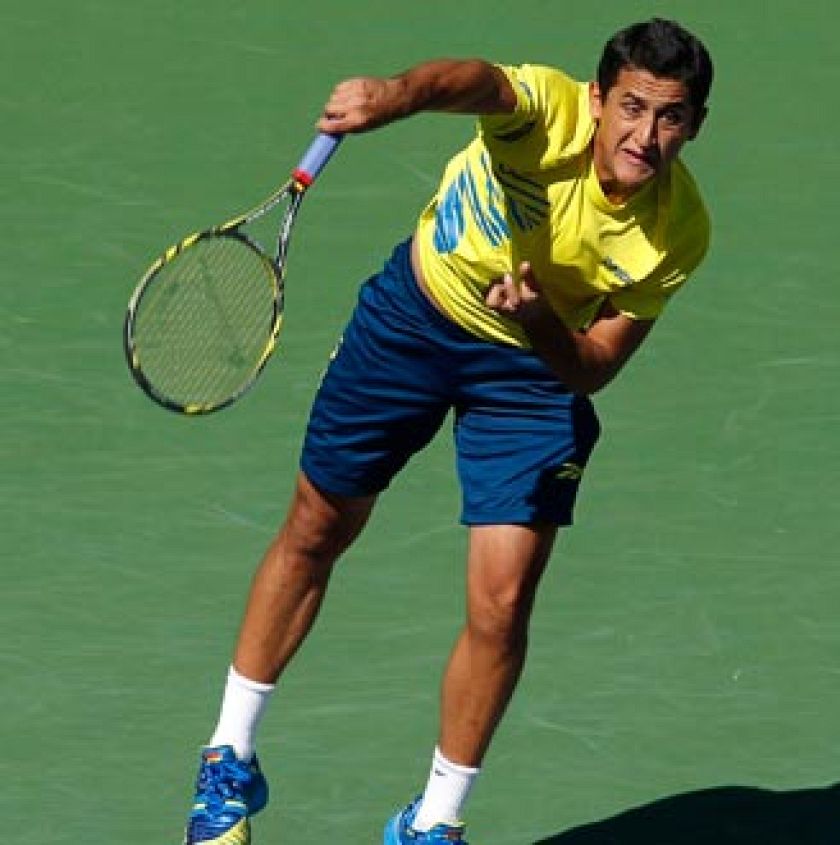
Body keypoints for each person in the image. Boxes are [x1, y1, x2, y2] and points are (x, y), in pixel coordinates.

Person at [180, 18, 714, 845]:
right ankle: (228, 761)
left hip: (533, 375)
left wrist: (538, 321)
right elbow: (471, 80)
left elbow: (594, 366)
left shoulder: (677, 231)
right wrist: (395, 96)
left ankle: (432, 822)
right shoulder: (544, 107)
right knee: (317, 524)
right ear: (598, 97)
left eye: (671, 116)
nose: (647, 135)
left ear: (694, 124)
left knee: (502, 603)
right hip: (416, 318)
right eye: (633, 107)